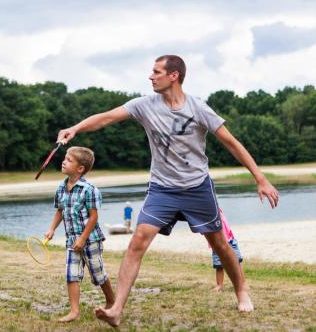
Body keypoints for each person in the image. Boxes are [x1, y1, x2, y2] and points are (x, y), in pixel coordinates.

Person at [56, 55, 279, 327]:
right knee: (137, 241)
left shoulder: (198, 108)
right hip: (162, 188)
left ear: (174, 75)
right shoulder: (143, 105)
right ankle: (116, 310)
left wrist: (260, 178)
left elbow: (232, 143)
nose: (151, 76)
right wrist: (76, 128)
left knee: (219, 243)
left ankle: (241, 290)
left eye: (156, 72)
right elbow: (105, 118)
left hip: (197, 187)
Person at [44, 146, 115, 322]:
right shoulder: (61, 188)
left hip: (90, 240)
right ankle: (74, 311)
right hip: (71, 241)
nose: (63, 161)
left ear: (80, 168)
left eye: (68, 160)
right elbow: (60, 211)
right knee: (71, 275)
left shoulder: (89, 189)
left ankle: (112, 301)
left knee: (98, 275)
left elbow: (93, 218)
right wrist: (52, 228)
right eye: (65, 158)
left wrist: (83, 239)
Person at [212, 208, 244, 291]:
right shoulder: (208, 218)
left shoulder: (218, 211)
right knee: (219, 266)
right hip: (217, 244)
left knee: (237, 263)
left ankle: (242, 283)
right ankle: (219, 285)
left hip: (230, 241)